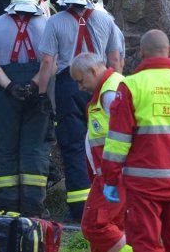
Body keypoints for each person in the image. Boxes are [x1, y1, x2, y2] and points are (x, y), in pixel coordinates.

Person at [103, 30, 170, 252]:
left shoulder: (131, 85)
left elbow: (118, 140)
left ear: (142, 52)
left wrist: (110, 178)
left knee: (145, 243)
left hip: (143, 184)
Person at [35, 0, 122, 221]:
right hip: (102, 85)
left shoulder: (55, 21)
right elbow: (115, 60)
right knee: (107, 143)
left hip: (68, 85)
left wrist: (42, 94)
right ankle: (109, 202)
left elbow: (48, 63)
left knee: (73, 145)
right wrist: (118, 90)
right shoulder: (107, 20)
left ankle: (79, 206)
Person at [0, 0, 51, 216]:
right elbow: (49, 62)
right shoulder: (45, 22)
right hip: (38, 91)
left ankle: (8, 207)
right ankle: (33, 207)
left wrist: (9, 86)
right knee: (35, 146)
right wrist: (33, 85)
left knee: (7, 147)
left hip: (5, 93)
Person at [70, 53, 129, 252]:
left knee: (95, 225)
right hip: (111, 173)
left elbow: (129, 133)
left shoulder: (110, 93)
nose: (80, 87)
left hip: (113, 175)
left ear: (93, 71)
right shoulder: (111, 88)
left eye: (81, 81)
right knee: (111, 231)